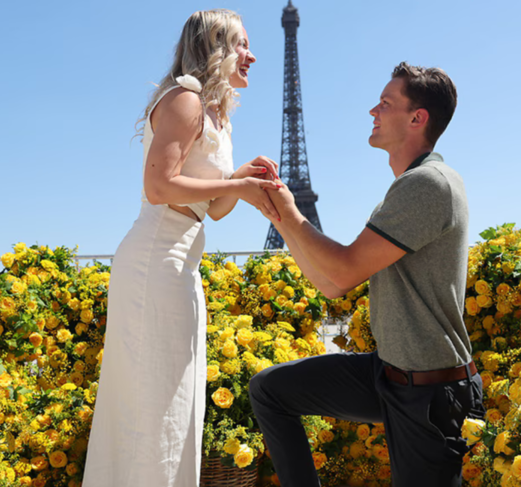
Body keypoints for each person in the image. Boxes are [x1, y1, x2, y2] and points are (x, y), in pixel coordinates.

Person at [250, 62, 485, 487]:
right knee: (269, 390)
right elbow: (332, 284)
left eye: (385, 103)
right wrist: (280, 215)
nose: (372, 111)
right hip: (390, 374)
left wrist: (288, 210)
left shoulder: (429, 185)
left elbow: (341, 270)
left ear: (418, 118)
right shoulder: (409, 186)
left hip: (431, 392)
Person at [82, 10, 281, 487]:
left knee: (173, 402)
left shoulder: (215, 113)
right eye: (242, 44)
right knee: (156, 402)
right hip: (157, 261)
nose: (252, 55)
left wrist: (240, 180)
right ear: (215, 46)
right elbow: (159, 186)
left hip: (180, 263)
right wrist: (238, 185)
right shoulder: (186, 99)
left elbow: (213, 210)